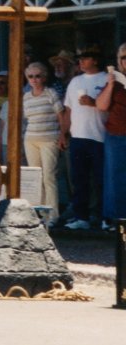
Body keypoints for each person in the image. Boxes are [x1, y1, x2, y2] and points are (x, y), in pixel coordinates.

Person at [60, 46, 108, 229]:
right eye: (79, 58)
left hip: (100, 137)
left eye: (85, 57)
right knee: (79, 179)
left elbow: (112, 108)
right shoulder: (75, 82)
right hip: (78, 136)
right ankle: (82, 218)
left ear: (95, 60)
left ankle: (105, 218)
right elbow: (68, 109)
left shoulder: (106, 79)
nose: (80, 61)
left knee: (101, 180)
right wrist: (63, 133)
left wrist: (93, 103)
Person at [20, 62, 62, 225]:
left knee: (49, 176)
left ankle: (53, 214)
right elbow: (25, 119)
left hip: (49, 138)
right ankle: (40, 212)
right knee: (36, 177)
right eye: (31, 76)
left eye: (38, 76)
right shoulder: (26, 96)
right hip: (31, 139)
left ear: (44, 77)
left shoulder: (50, 93)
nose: (34, 79)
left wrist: (62, 135)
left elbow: (60, 114)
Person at [95, 42, 126, 227]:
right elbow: (101, 105)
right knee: (114, 177)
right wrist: (111, 84)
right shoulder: (115, 82)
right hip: (116, 134)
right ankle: (115, 218)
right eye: (124, 58)